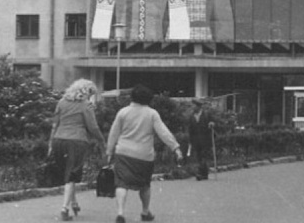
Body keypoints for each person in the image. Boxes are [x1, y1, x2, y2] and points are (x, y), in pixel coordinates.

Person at [106, 84, 184, 223]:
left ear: (133, 97)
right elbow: (163, 133)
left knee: (121, 184)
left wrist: (109, 151)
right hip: (144, 155)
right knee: (145, 185)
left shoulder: (123, 112)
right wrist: (175, 147)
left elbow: (114, 133)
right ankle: (145, 211)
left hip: (123, 152)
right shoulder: (152, 113)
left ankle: (120, 213)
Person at [49, 79, 106, 221]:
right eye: (91, 94)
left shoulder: (61, 102)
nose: (91, 97)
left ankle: (74, 203)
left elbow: (54, 125)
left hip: (58, 140)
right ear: (86, 92)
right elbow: (93, 127)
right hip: (76, 141)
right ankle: (64, 208)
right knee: (72, 175)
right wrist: (101, 140)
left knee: (68, 174)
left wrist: (50, 144)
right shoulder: (86, 106)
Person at [187, 98, 215, 180]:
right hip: (196, 140)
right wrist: (190, 140)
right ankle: (204, 174)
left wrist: (211, 124)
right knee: (199, 157)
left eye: (194, 106)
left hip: (205, 139)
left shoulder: (206, 114)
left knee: (203, 156)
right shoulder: (191, 116)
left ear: (198, 106)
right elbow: (190, 129)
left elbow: (212, 121)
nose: (193, 107)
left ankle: (200, 173)